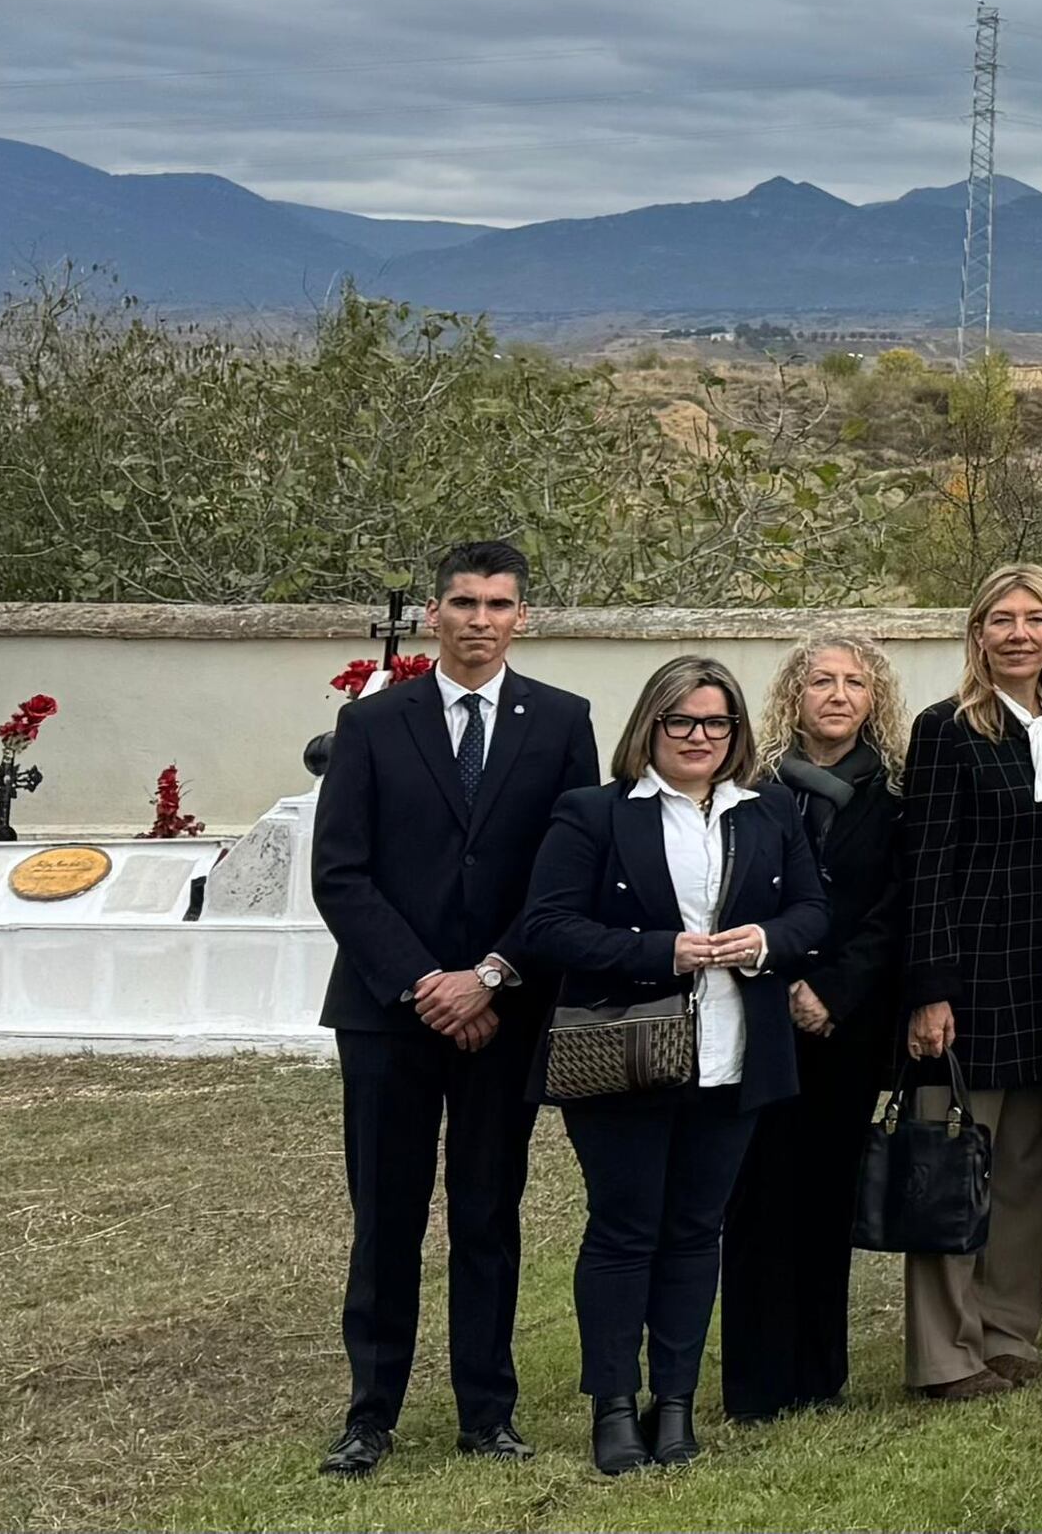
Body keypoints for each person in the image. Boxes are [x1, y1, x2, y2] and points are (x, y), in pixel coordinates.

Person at [311, 538, 591, 1477]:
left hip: (503, 1011)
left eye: (498, 604)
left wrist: (494, 974)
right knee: (386, 1215)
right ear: (435, 614)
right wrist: (426, 981)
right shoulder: (373, 724)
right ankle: (370, 1413)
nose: (480, 620)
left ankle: (488, 1410)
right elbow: (340, 874)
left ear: (523, 617)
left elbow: (565, 874)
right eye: (464, 603)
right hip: (390, 1013)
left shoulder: (561, 722)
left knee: (486, 1211)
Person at [511, 656, 830, 1475]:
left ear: (736, 732)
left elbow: (809, 912)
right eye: (680, 721)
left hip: (734, 1056)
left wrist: (763, 942)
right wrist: (663, 951)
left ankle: (675, 1403)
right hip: (625, 1053)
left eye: (715, 722)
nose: (698, 736)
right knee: (624, 1230)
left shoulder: (768, 812)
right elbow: (546, 927)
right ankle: (614, 1407)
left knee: (696, 1233)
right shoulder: (595, 813)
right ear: (650, 727)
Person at [896, 560, 1042, 1398]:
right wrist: (928, 990)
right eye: (1001, 619)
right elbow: (925, 869)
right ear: (978, 635)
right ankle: (944, 1352)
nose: (1018, 632)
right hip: (970, 984)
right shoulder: (947, 729)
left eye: (1034, 618)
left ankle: (1008, 1329)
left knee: (1026, 1168)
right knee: (954, 1163)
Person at [722, 636, 907, 1424]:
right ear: (793, 695)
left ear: (874, 699)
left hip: (848, 1021)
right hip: (757, 1011)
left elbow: (897, 907)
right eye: (820, 680)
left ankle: (819, 1373)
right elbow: (725, 893)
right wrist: (780, 976)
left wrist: (832, 989)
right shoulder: (748, 787)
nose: (837, 694)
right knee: (757, 1194)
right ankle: (756, 1383)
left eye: (854, 682)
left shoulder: (898, 794)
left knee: (828, 1192)